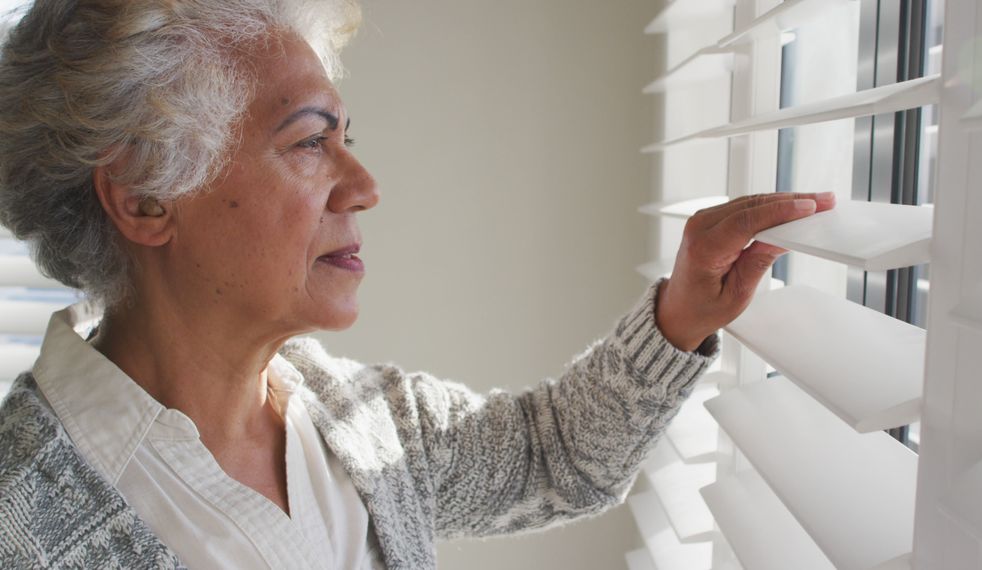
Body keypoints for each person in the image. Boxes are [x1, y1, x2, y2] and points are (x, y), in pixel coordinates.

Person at [0, 1, 835, 568]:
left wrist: (681, 314)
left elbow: (551, 457)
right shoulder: (19, 520)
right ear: (145, 194)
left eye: (345, 138)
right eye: (308, 143)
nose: (364, 186)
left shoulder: (367, 427)